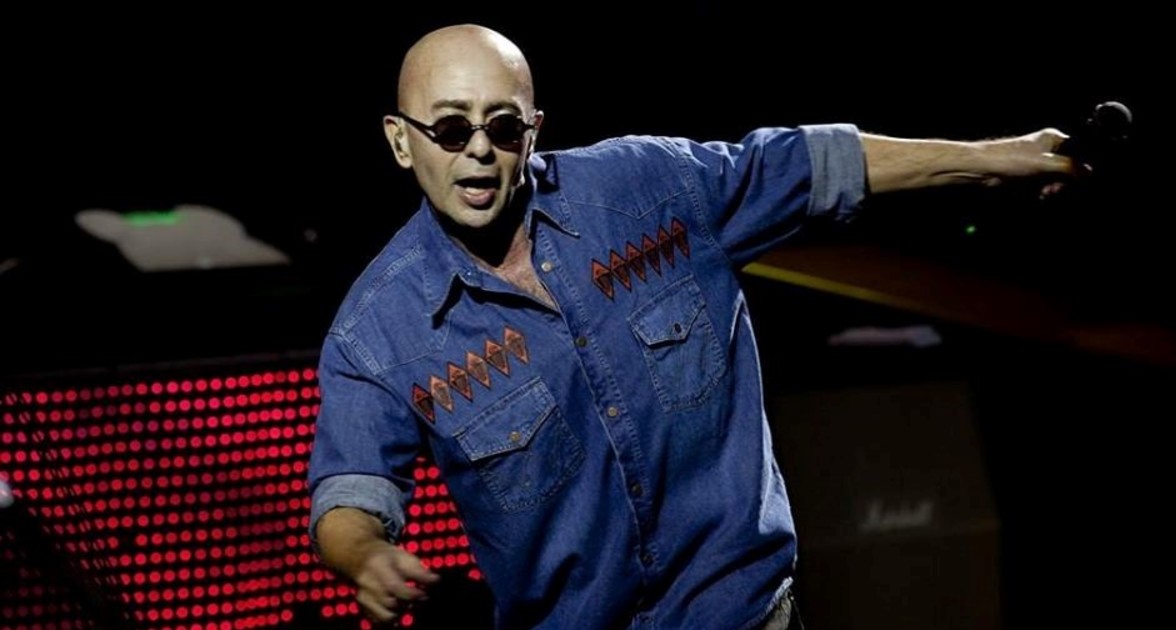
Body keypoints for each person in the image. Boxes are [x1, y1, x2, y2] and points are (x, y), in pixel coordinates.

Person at [306, 23, 1075, 630]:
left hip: (746, 614)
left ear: (533, 131)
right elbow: (349, 493)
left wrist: (998, 158)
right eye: (449, 129)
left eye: (502, 126)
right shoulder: (376, 332)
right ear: (400, 140)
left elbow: (818, 165)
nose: (479, 149)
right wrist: (365, 555)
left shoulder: (650, 190)